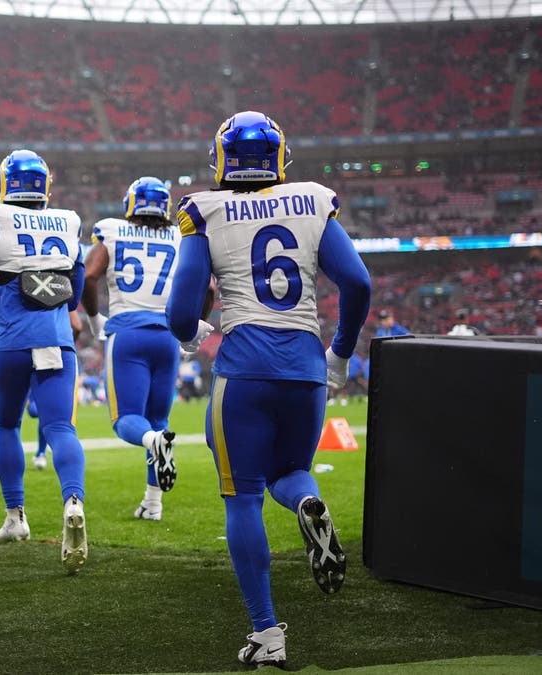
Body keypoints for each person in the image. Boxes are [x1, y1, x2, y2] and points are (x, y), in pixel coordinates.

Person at [165, 112, 371, 667]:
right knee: (291, 472)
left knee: (244, 497)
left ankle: (266, 632)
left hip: (245, 369)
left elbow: (180, 311)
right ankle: (307, 503)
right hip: (305, 366)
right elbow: (357, 281)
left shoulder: (204, 208)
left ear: (222, 158)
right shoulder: (312, 200)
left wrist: (194, 334)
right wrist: (340, 352)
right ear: (279, 156)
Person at [0, 149, 89, 575]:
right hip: (56, 339)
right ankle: (73, 500)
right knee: (60, 427)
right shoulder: (69, 220)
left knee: (7, 425)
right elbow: (76, 288)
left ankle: (15, 516)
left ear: (4, 184)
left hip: (10, 339)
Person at [83, 176, 183, 521]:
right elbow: (209, 288)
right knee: (158, 421)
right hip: (167, 335)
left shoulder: (112, 230)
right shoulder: (178, 236)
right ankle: (153, 504)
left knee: (127, 419)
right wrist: (192, 326)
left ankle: (153, 442)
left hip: (128, 332)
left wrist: (94, 318)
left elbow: (88, 276)